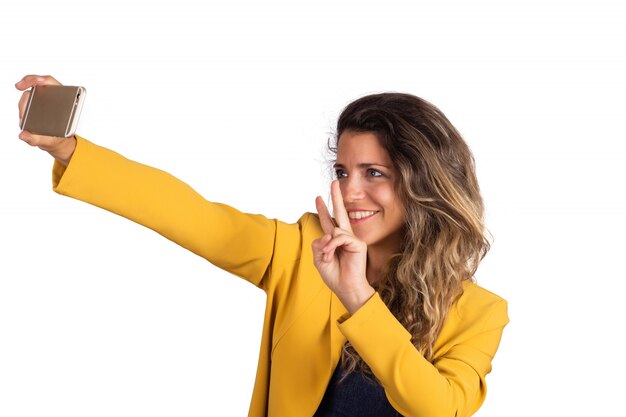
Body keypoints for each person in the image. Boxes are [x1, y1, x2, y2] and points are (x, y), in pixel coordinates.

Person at [16, 74, 509, 417]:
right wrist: (68, 149)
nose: (350, 192)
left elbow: (437, 408)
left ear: (425, 182)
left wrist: (358, 296)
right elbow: (193, 216)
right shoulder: (301, 250)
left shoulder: (479, 313)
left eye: (373, 173)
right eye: (342, 172)